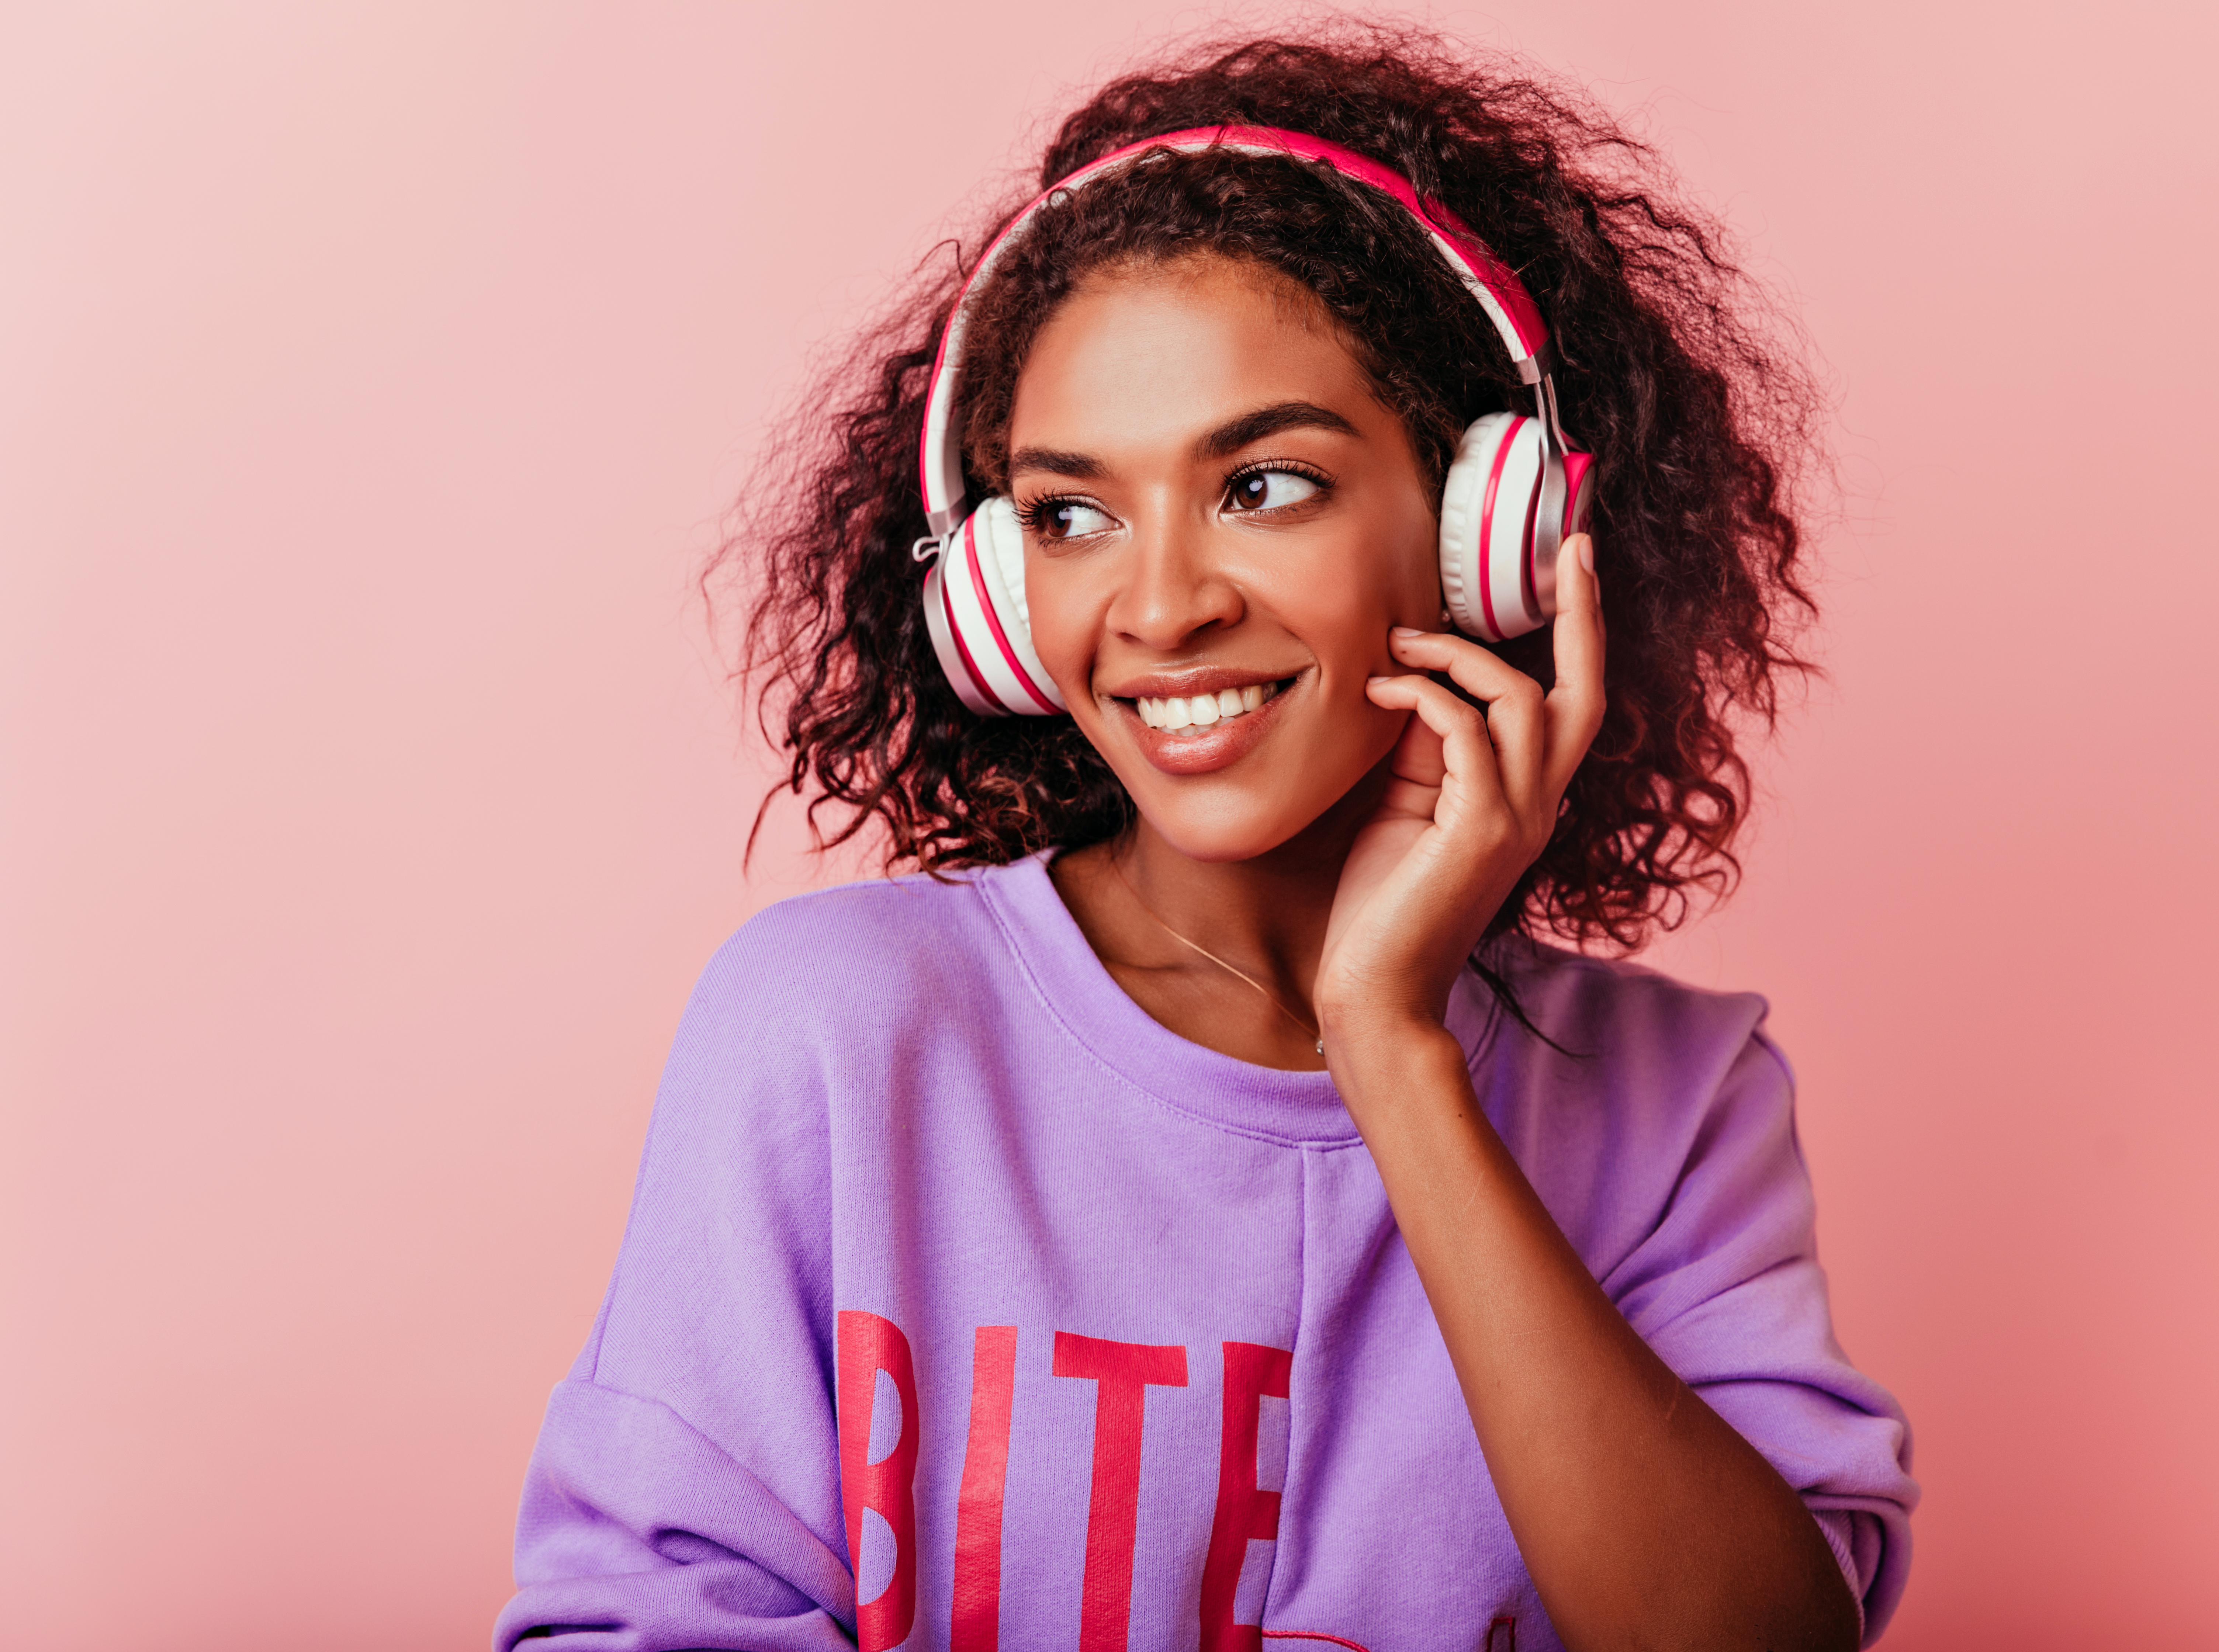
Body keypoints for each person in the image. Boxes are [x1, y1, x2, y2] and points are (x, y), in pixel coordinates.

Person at [496, 27, 1916, 1652]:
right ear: (991, 599)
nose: (1163, 606)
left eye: (1265, 485)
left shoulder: (1674, 1101)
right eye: (1071, 514)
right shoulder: (837, 1033)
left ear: (1485, 530)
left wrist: (1388, 1047)